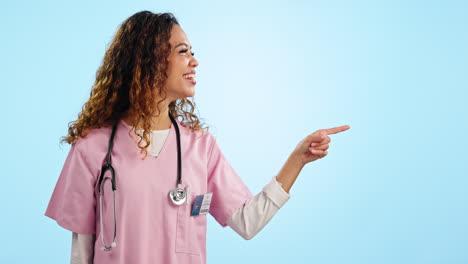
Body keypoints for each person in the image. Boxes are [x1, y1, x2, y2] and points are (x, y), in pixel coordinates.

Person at [44, 10, 350, 264]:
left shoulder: (200, 148)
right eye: (182, 52)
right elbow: (81, 253)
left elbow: (247, 222)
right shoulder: (92, 149)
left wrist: (297, 160)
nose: (194, 61)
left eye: (193, 52)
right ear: (149, 60)